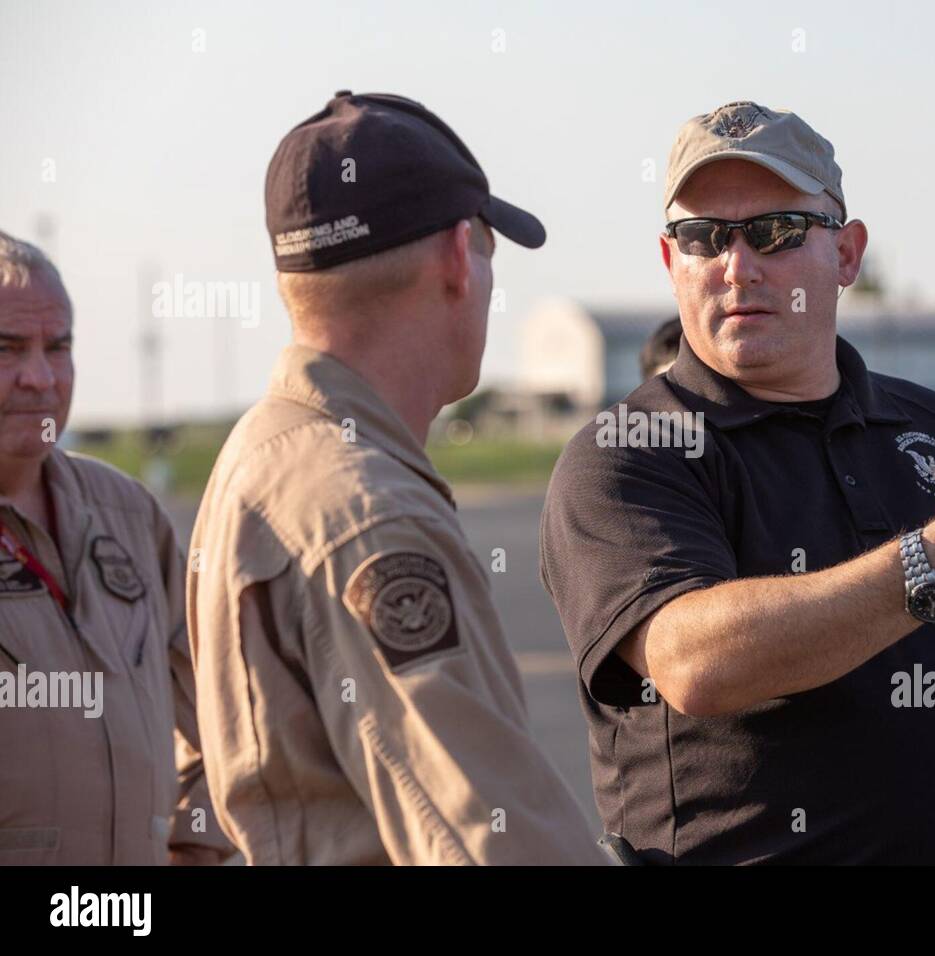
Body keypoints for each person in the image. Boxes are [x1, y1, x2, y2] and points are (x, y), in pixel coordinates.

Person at [540, 100, 935, 864]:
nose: (737, 264)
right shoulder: (628, 453)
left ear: (847, 254)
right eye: (704, 237)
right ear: (672, 264)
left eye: (775, 231)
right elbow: (694, 664)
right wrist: (934, 560)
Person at [187, 91, 605, 865]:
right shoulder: (368, 514)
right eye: (487, 251)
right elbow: (487, 834)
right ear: (455, 258)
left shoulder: (261, 456)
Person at [0, 230, 229, 865]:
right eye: (7, 349)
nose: (40, 377)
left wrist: (197, 849)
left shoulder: (128, 516)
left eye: (59, 347)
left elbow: (224, 718)